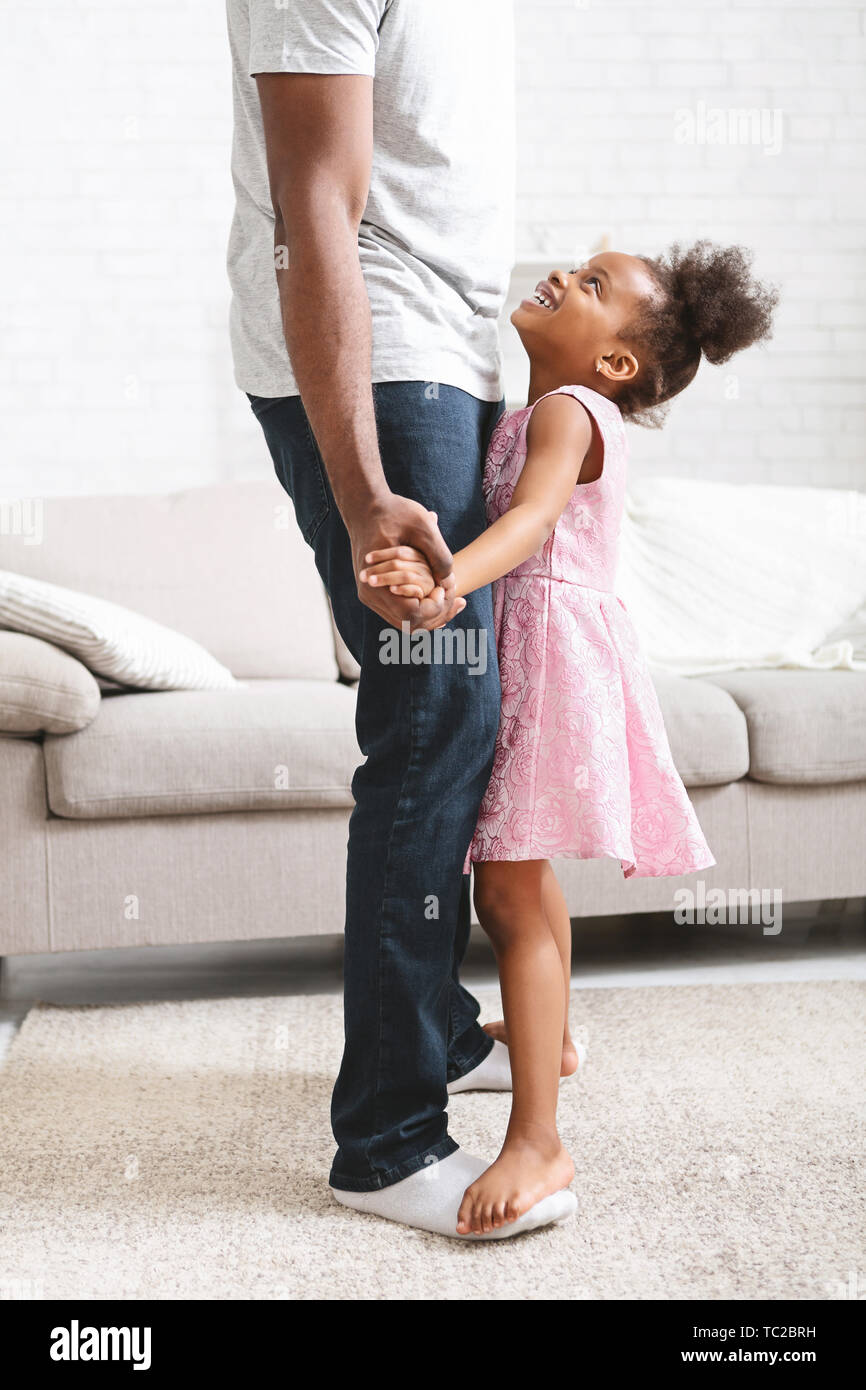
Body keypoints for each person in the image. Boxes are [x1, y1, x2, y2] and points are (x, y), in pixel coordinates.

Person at [225, 2, 573, 1240]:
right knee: (431, 707)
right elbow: (314, 198)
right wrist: (369, 492)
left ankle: (432, 1024)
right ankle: (383, 1142)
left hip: (451, 355)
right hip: (383, 357)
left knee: (463, 712)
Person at [360, 241, 778, 1233]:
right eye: (576, 266)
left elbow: (538, 521)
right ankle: (546, 1043)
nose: (559, 277)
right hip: (560, 648)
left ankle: (538, 1138)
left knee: (505, 886)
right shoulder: (551, 409)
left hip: (549, 653)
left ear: (616, 364)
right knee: (522, 883)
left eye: (591, 287)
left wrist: (448, 579)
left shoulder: (562, 412)